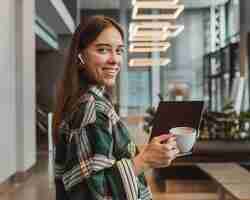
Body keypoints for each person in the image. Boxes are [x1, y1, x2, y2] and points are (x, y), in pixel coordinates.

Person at [53, 15, 179, 200]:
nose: (115, 60)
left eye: (119, 51)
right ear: (80, 56)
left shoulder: (89, 101)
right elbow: (90, 193)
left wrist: (146, 153)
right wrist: (143, 160)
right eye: (103, 50)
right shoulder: (92, 109)